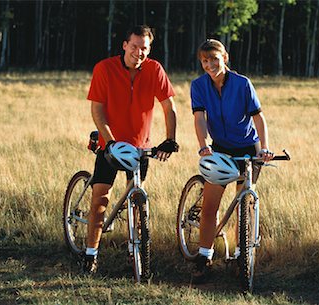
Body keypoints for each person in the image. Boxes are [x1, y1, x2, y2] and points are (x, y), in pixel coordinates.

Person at [83, 25, 179, 273]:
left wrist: (170, 139)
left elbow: (169, 107)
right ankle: (91, 253)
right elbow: (97, 110)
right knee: (100, 199)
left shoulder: (155, 69)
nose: (138, 52)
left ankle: (134, 251)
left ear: (149, 49)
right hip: (110, 145)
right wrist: (110, 141)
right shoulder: (104, 68)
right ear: (124, 45)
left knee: (136, 200)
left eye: (144, 48)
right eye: (134, 46)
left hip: (140, 148)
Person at [190, 39, 274, 283]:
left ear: (224, 58)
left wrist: (265, 148)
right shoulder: (198, 86)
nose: (209, 65)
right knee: (210, 206)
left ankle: (241, 256)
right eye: (205, 61)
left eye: (214, 59)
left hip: (249, 148)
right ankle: (204, 257)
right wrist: (203, 144)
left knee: (243, 206)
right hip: (220, 149)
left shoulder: (242, 84)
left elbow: (258, 118)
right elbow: (199, 117)